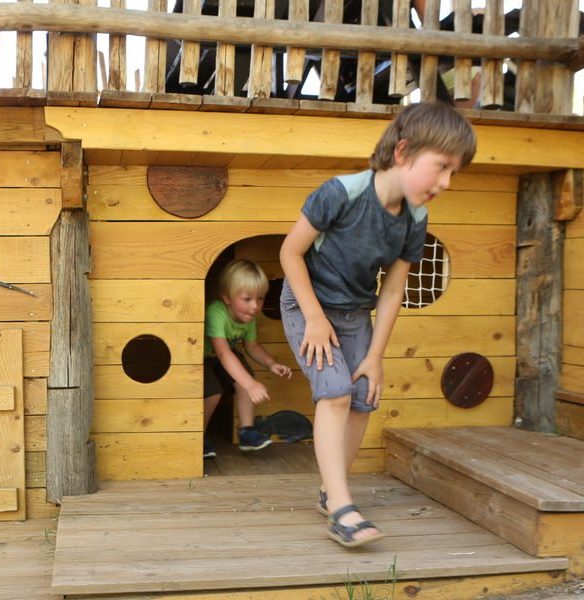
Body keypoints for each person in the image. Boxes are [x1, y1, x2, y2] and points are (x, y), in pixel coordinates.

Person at [278, 102, 476, 547]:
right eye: (441, 167)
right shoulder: (341, 193)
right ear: (403, 151)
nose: (445, 183)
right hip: (307, 304)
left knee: (363, 397)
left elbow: (391, 291)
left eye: (453, 174)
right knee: (334, 393)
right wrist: (312, 318)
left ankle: (332, 492)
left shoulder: (415, 219)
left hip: (354, 314)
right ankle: (343, 509)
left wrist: (375, 357)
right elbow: (290, 253)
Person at [203, 259, 292, 459]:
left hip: (224, 356)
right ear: (227, 298)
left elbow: (251, 346)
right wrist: (251, 385)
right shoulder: (216, 312)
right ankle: (198, 436)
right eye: (247, 299)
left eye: (259, 299)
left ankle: (247, 433)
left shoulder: (247, 316)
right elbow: (223, 353)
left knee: (244, 378)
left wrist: (271, 363)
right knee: (212, 392)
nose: (254, 306)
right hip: (203, 358)